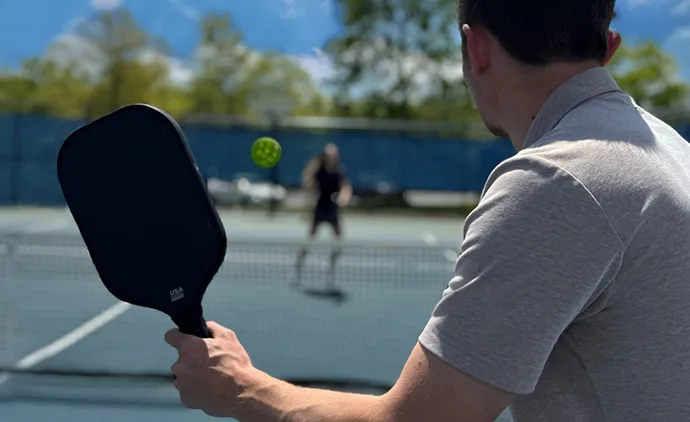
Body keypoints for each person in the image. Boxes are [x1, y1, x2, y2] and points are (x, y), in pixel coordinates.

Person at [164, 1, 690, 420]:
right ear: (610, 47)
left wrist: (241, 389)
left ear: (475, 48)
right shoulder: (671, 149)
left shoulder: (558, 182)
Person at [291, 143, 352, 289]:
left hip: (332, 208)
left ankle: (329, 267)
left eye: (335, 155)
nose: (333, 157)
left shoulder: (339, 172)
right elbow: (309, 184)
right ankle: (297, 268)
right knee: (309, 240)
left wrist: (344, 197)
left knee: (339, 242)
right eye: (331, 155)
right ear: (325, 156)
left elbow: (345, 187)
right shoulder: (318, 171)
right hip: (320, 207)